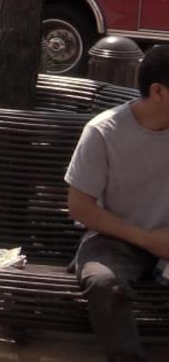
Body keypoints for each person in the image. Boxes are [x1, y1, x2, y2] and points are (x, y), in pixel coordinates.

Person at [66, 44, 169, 362]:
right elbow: (80, 207)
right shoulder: (104, 131)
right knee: (104, 284)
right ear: (159, 91)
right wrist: (147, 240)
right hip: (116, 237)